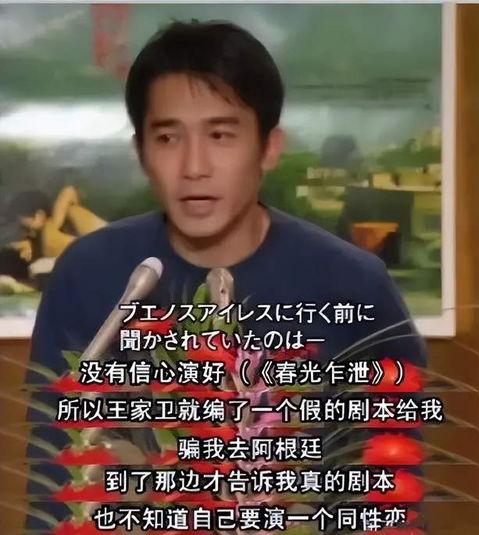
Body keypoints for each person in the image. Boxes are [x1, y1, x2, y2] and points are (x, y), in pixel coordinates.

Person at [27, 21, 426, 530]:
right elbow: (56, 487)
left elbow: (391, 496)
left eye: (220, 135)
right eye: (168, 137)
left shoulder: (354, 285)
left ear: (269, 147)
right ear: (141, 152)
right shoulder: (89, 275)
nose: (194, 166)